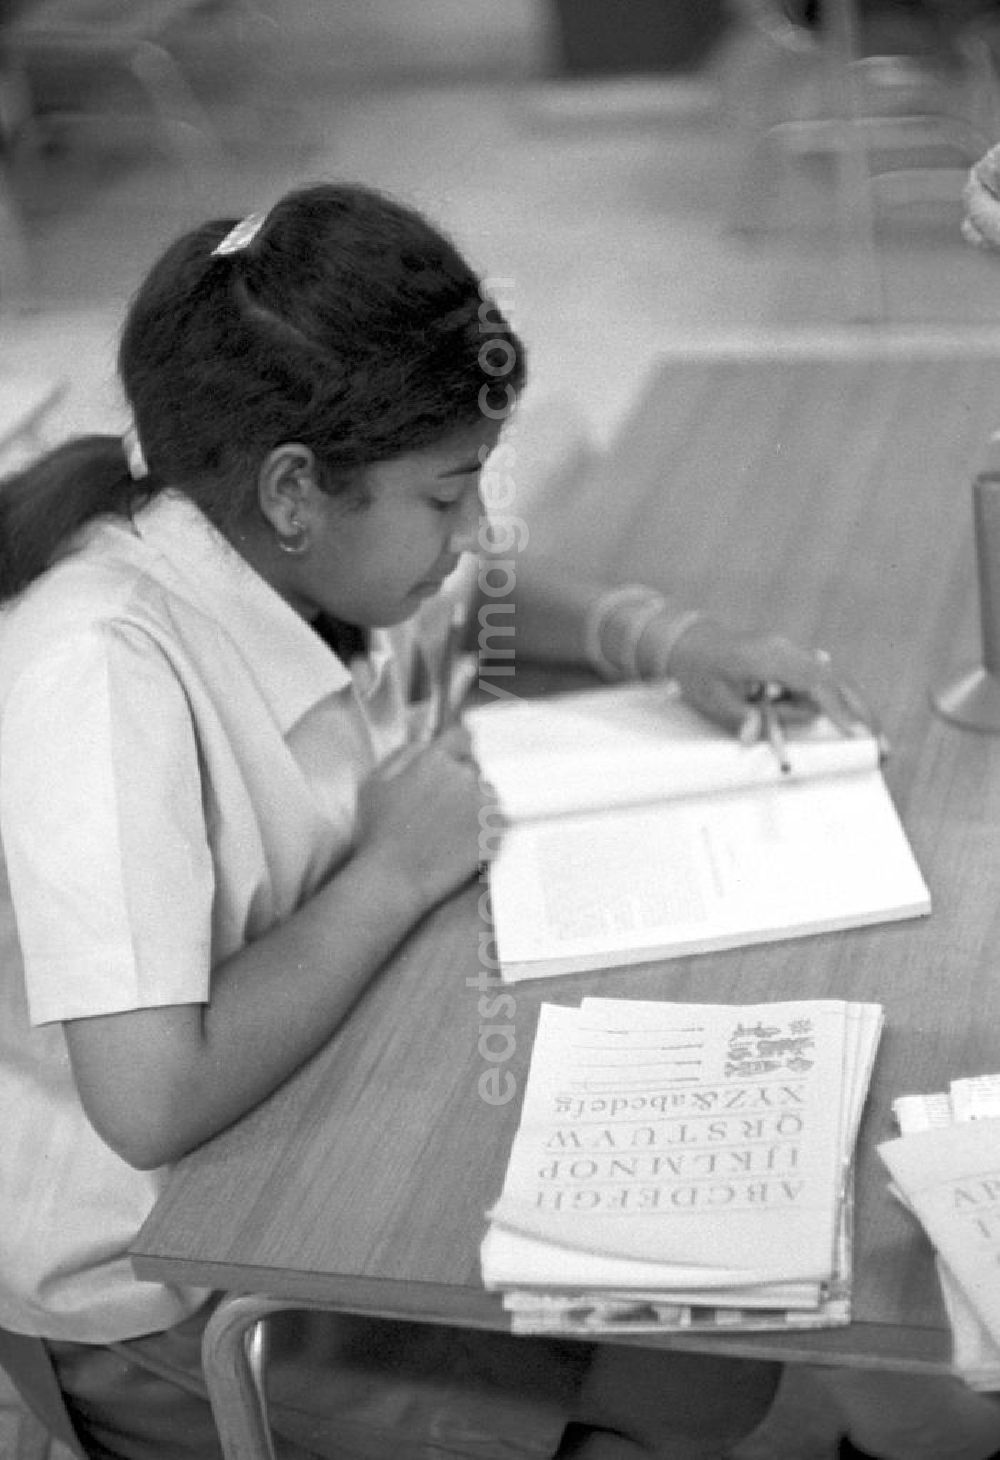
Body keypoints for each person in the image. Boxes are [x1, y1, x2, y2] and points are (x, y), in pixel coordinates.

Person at [0, 180, 867, 1460]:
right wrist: (395, 870)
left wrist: (671, 638)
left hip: (295, 1117)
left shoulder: (265, 536)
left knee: (717, 1352)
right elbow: (149, 1100)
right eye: (446, 496)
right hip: (153, 1288)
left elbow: (471, 601)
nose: (470, 536)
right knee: (677, 1395)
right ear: (297, 488)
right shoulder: (101, 675)